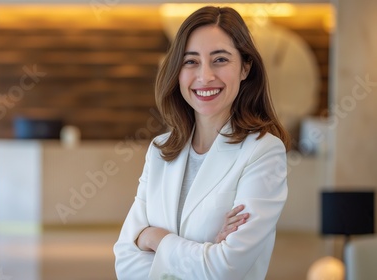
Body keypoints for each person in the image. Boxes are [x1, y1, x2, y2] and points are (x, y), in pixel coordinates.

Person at [113, 6, 290, 280]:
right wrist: (205, 251)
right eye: (191, 61)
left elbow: (224, 269)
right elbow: (125, 261)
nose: (205, 76)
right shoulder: (161, 150)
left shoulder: (263, 151)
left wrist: (153, 238)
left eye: (220, 59)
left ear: (245, 67)